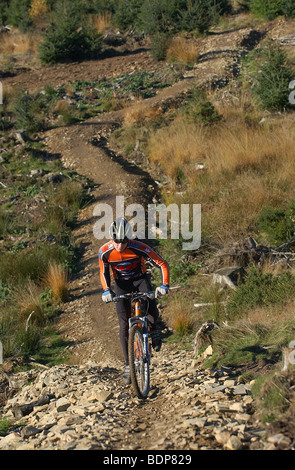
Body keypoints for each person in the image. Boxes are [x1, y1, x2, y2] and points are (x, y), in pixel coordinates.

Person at [98, 217, 170, 384]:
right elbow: (103, 272)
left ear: (129, 238)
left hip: (139, 280)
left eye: (123, 242)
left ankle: (154, 329)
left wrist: (164, 285)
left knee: (151, 301)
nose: (120, 246)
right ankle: (128, 365)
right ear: (111, 238)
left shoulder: (139, 247)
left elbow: (162, 263)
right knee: (123, 323)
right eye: (116, 241)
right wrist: (106, 291)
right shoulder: (105, 251)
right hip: (121, 284)